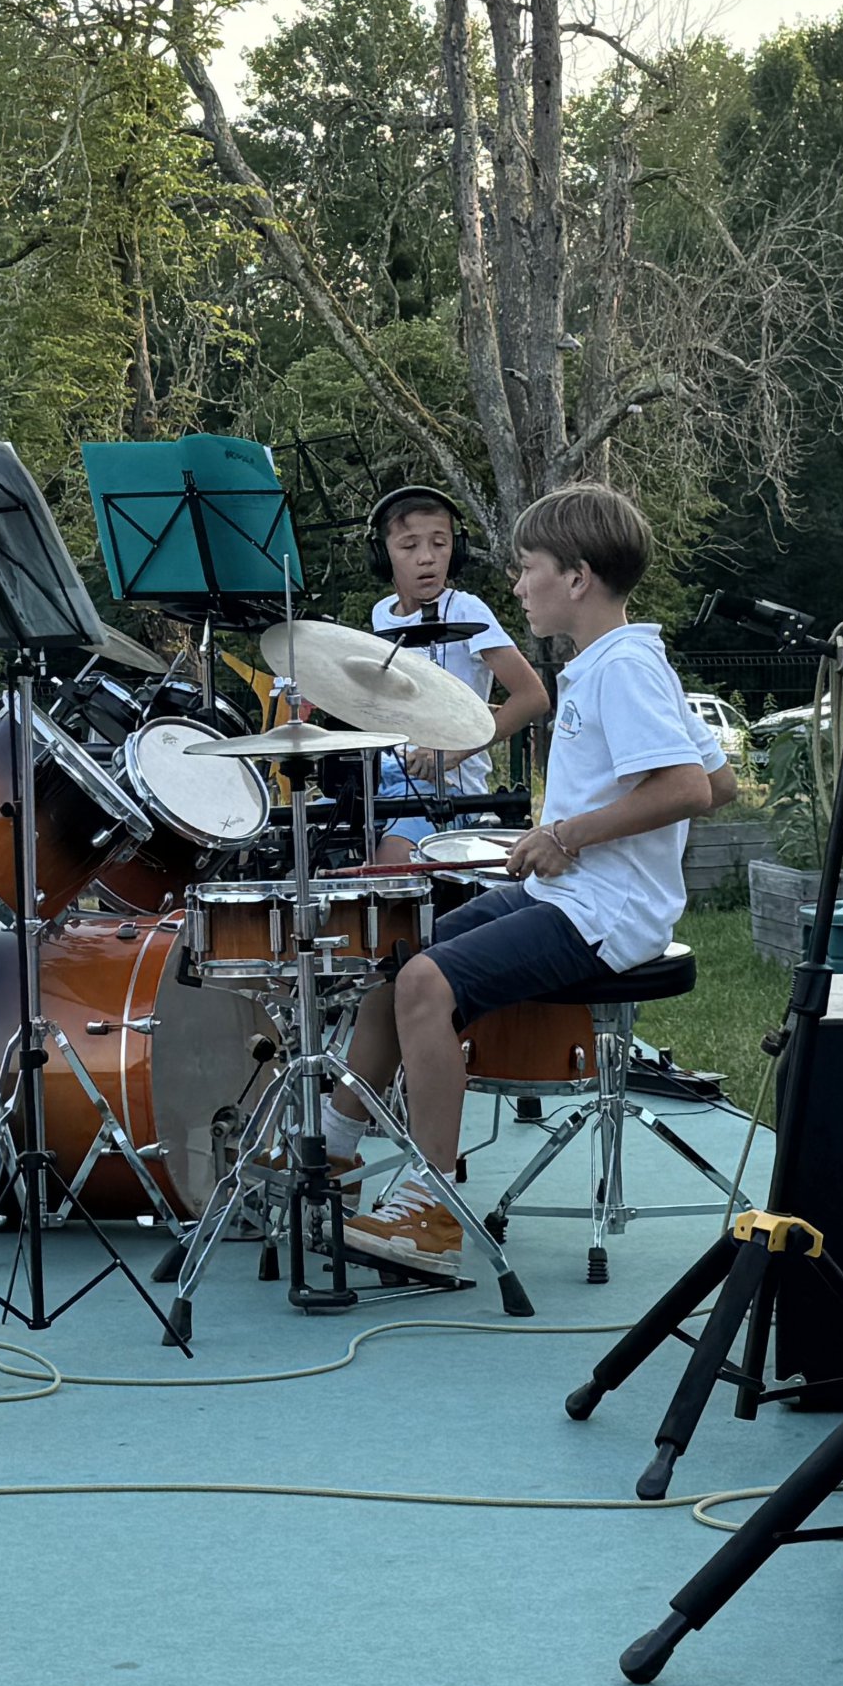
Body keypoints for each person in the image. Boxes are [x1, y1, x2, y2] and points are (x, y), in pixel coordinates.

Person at [329, 485, 731, 1279]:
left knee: (424, 984)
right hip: (573, 895)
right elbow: (720, 782)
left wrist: (566, 834)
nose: (515, 585)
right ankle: (334, 1154)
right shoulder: (618, 660)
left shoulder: (624, 668)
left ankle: (433, 1209)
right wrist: (564, 831)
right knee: (397, 962)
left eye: (527, 567)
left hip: (607, 913)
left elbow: (687, 788)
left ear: (576, 577)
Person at [362, 483, 550, 847]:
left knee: (392, 857)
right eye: (409, 546)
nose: (427, 558)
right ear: (381, 555)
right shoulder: (381, 613)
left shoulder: (465, 609)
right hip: (384, 778)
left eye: (440, 543)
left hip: (448, 789)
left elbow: (532, 697)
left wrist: (454, 753)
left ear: (457, 549)